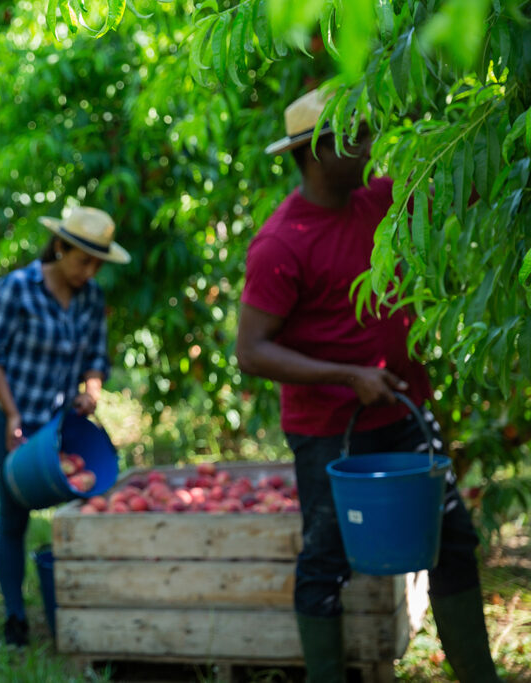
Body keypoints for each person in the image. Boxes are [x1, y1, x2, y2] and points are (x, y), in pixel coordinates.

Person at [235, 88, 500, 682]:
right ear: (317, 152)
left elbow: (462, 187)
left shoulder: (379, 200)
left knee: (452, 539)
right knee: (327, 559)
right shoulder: (282, 242)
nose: (370, 145)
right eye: (355, 136)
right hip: (330, 432)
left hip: (403, 411)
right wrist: (346, 376)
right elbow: (250, 352)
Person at [0, 206, 129, 646]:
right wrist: (13, 415)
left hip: (60, 424)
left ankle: (82, 601)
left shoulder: (91, 297)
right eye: (84, 260)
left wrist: (92, 389)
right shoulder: (19, 288)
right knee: (14, 513)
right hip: (16, 419)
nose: (90, 270)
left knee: (82, 507)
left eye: (97, 263)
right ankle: (15, 616)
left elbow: (96, 358)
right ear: (60, 247)